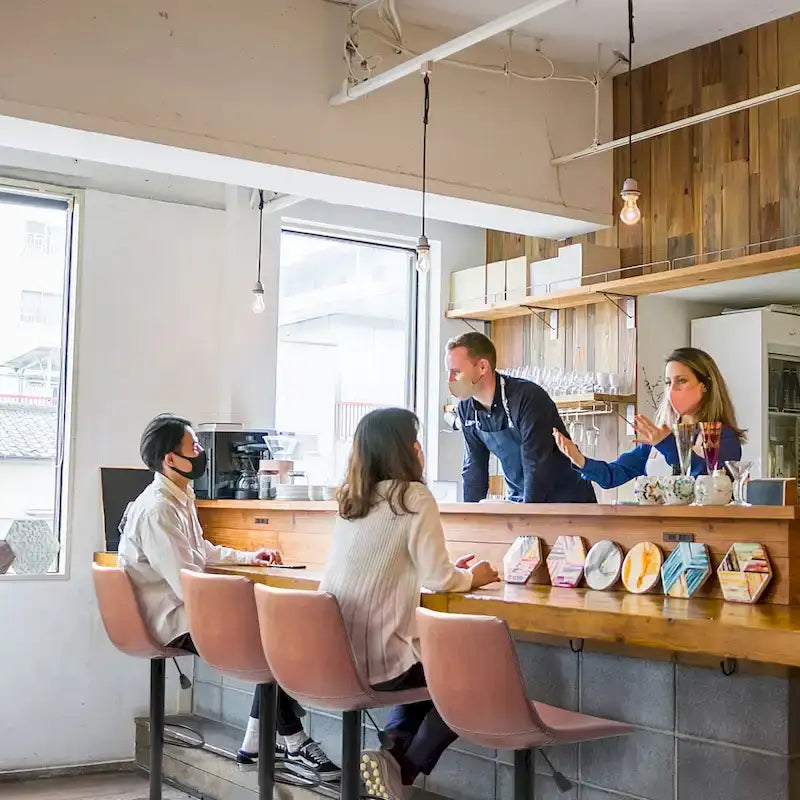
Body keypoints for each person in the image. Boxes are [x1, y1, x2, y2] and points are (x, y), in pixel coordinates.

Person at [118, 413, 340, 780]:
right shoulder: (158, 508)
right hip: (171, 620)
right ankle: (295, 743)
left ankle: (256, 743)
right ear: (170, 459)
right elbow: (187, 582)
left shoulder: (177, 497)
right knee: (274, 638)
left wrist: (250, 557)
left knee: (275, 635)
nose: (202, 451)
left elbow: (199, 551)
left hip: (179, 610)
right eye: (195, 446)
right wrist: (242, 605)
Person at [319, 408, 499, 800]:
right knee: (471, 680)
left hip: (331, 659)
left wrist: (448, 569)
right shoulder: (413, 496)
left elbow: (407, 565)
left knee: (427, 667)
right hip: (377, 662)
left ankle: (392, 758)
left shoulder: (351, 502)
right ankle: (402, 770)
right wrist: (476, 577)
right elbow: (439, 579)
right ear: (405, 448)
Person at [553, 347, 745, 488]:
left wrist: (666, 444)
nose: (672, 390)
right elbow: (613, 475)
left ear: (705, 385)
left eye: (682, 381)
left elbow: (706, 481)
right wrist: (579, 460)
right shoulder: (659, 436)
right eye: (668, 383)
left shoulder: (722, 437)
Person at [445, 331, 596, 503]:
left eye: (456, 372)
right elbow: (474, 469)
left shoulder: (527, 398)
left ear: (482, 367)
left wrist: (527, 519)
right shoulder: (466, 409)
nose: (449, 380)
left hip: (566, 502)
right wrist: (469, 521)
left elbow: (536, 464)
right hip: (519, 501)